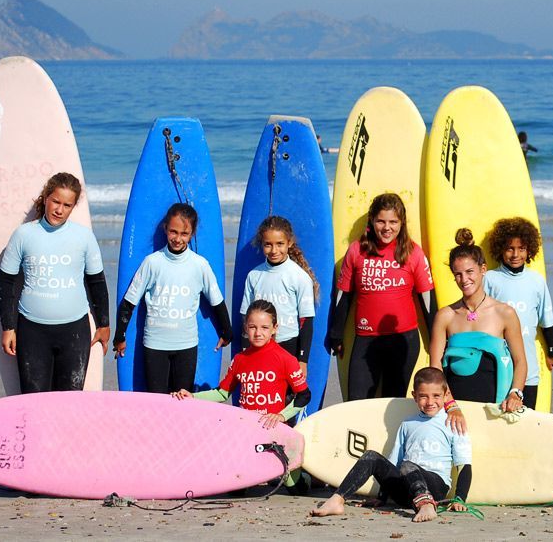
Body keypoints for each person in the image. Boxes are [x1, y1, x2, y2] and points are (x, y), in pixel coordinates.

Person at [173, 299, 311, 491]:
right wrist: (192, 397)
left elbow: (304, 396)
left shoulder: (285, 359)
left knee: (296, 489)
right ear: (246, 327)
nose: (258, 332)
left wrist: (281, 416)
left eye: (264, 327)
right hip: (246, 431)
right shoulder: (240, 359)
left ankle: (302, 475)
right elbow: (222, 393)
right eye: (253, 327)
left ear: (274, 328)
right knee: (236, 490)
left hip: (274, 430)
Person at [310, 367, 472, 523]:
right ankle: (337, 500)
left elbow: (463, 464)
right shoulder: (407, 424)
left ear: (446, 396)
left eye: (436, 396)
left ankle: (427, 505)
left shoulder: (453, 423)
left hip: (435, 488)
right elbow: (394, 462)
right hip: (406, 491)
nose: (430, 402)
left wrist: (460, 499)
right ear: (414, 396)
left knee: (408, 465)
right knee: (371, 457)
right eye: (423, 396)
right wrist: (382, 497)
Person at [0, 172, 110, 393]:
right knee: (33, 401)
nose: (59, 209)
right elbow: (6, 283)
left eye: (67, 205)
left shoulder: (83, 237)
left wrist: (104, 324)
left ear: (73, 206)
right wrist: (8, 327)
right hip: (32, 331)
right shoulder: (24, 235)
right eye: (56, 201)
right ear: (45, 198)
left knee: (68, 402)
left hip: (75, 330)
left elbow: (97, 283)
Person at [113, 203, 232, 394]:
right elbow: (129, 302)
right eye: (173, 232)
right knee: (157, 401)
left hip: (186, 345)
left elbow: (216, 301)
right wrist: (120, 336)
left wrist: (227, 332)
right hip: (154, 344)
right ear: (165, 229)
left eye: (184, 234)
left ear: (192, 233)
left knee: (183, 401)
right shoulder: (152, 262)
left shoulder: (199, 265)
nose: (177, 238)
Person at [327, 193, 437, 400]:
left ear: (402, 223)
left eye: (393, 222)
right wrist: (337, 333)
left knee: (392, 404)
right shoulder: (356, 251)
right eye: (381, 221)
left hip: (403, 340)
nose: (387, 228)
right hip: (366, 339)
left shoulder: (413, 252)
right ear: (372, 221)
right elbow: (344, 295)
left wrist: (437, 339)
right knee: (356, 403)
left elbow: (427, 300)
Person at [428, 228, 528, 411]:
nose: (464, 279)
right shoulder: (445, 316)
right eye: (458, 274)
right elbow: (435, 366)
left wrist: (515, 393)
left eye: (469, 272)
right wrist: (450, 406)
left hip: (496, 407)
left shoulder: (504, 313)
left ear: (483, 269)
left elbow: (520, 361)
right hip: (455, 408)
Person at [483, 217, 553, 410]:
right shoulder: (490, 279)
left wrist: (552, 349)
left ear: (529, 250)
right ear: (500, 249)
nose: (515, 254)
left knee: (525, 421)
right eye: (510, 248)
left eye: (521, 248)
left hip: (528, 369)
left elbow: (546, 318)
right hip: (497, 365)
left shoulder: (536, 281)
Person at [241, 216, 318, 375]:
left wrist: (303, 360)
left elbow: (306, 321)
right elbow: (245, 317)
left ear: (289, 242)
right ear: (262, 244)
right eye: (268, 245)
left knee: (285, 396)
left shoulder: (299, 277)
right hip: (259, 345)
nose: (274, 250)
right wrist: (244, 350)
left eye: (280, 244)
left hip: (288, 345)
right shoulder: (254, 275)